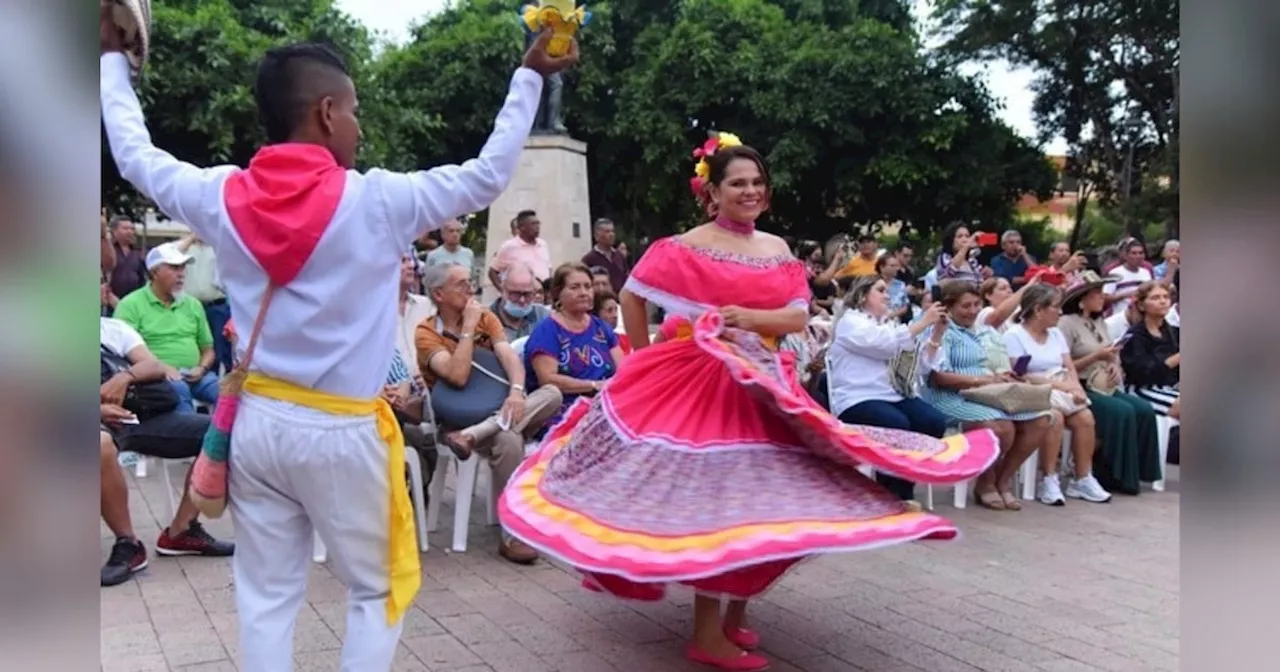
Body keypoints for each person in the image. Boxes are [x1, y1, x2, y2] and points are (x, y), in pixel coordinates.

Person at [100, 6, 579, 668]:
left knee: (267, 595)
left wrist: (108, 60)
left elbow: (133, 152)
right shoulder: (379, 200)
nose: (358, 126)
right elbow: (488, 174)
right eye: (353, 111)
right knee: (375, 590)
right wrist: (526, 77)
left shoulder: (218, 194)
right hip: (344, 431)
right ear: (327, 112)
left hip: (259, 423)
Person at [497, 136, 998, 672]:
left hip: (766, 384)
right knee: (720, 498)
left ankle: (734, 614)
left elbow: (796, 317)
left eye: (758, 183)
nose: (750, 191)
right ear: (712, 191)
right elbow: (631, 297)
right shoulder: (685, 244)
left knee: (770, 498)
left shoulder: (777, 249)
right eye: (738, 182)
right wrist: (642, 357)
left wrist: (747, 320)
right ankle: (707, 632)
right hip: (702, 385)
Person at [416, 263, 564, 564]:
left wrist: (517, 391)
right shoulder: (426, 333)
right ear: (439, 294)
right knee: (509, 439)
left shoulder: (487, 318)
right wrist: (468, 328)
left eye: (469, 281)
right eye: (460, 284)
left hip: (497, 409)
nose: (470, 288)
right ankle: (512, 533)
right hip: (454, 420)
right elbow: (456, 376)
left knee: (553, 393)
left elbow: (510, 359)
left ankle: (475, 435)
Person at [923, 280, 1052, 511]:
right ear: (949, 307)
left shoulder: (979, 331)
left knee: (1040, 420)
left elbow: (986, 367)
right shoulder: (942, 330)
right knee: (1000, 427)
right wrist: (984, 380)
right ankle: (985, 484)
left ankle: (1001, 480)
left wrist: (1003, 375)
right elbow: (937, 377)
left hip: (985, 393)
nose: (972, 311)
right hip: (951, 395)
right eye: (965, 306)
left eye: (976, 304)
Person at [829, 275, 950, 506]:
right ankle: (894, 495)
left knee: (932, 421)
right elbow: (882, 344)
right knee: (896, 424)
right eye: (880, 290)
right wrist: (922, 322)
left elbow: (920, 367)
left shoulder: (889, 325)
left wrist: (936, 333)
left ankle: (902, 487)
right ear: (864, 295)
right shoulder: (850, 322)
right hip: (857, 398)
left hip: (892, 395)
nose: (887, 295)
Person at [1003, 285, 1112, 505]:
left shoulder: (1055, 334)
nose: (1060, 312)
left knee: (1085, 418)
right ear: (1038, 310)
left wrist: (1076, 388)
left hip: (1061, 388)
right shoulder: (1014, 335)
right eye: (1055, 307)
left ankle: (1082, 478)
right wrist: (1065, 388)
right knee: (1054, 417)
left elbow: (1069, 366)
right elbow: (1022, 375)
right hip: (1031, 390)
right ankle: (1048, 478)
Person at [1058, 272, 1162, 495]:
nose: (1102, 298)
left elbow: (1110, 352)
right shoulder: (1067, 324)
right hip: (1081, 384)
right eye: (1097, 294)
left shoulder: (1099, 322)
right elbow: (1062, 365)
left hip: (1105, 383)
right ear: (1082, 299)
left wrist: (1114, 363)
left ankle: (1137, 471)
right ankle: (1109, 474)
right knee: (1121, 411)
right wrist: (1096, 357)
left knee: (1144, 410)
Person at [112, 242, 220, 413]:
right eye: (175, 268)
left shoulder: (193, 304)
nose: (181, 275)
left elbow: (208, 349)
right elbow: (121, 352)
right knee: (179, 391)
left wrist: (202, 368)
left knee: (230, 395)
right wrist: (161, 368)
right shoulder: (131, 305)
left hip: (196, 375)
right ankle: (189, 437)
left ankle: (224, 439)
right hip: (155, 378)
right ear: (155, 272)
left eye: (183, 268)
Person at [525, 263, 625, 430]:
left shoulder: (601, 328)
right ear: (558, 293)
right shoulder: (547, 331)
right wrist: (594, 386)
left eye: (588, 286)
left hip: (606, 405)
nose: (584, 293)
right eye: (575, 287)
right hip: (563, 412)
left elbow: (623, 369)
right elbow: (548, 380)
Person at [1120, 282, 1180, 418]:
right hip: (1142, 388)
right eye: (1155, 298)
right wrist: (1175, 359)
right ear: (1141, 305)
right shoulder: (1135, 336)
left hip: (1170, 385)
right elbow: (1141, 374)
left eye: (1166, 297)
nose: (1163, 301)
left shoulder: (1174, 332)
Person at [489, 209, 551, 287]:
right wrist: (503, 291)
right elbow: (492, 272)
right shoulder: (509, 246)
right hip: (521, 296)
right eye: (533, 224)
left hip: (542, 295)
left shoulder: (543, 244)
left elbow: (548, 267)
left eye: (538, 223)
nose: (537, 227)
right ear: (522, 227)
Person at [490, 262, 551, 340]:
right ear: (502, 289)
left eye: (527, 294)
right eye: (515, 294)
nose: (522, 300)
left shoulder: (543, 316)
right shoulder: (486, 319)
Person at [581, 218, 630, 293]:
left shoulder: (619, 255)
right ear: (597, 235)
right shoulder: (588, 259)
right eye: (607, 231)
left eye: (612, 231)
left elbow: (626, 277)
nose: (611, 234)